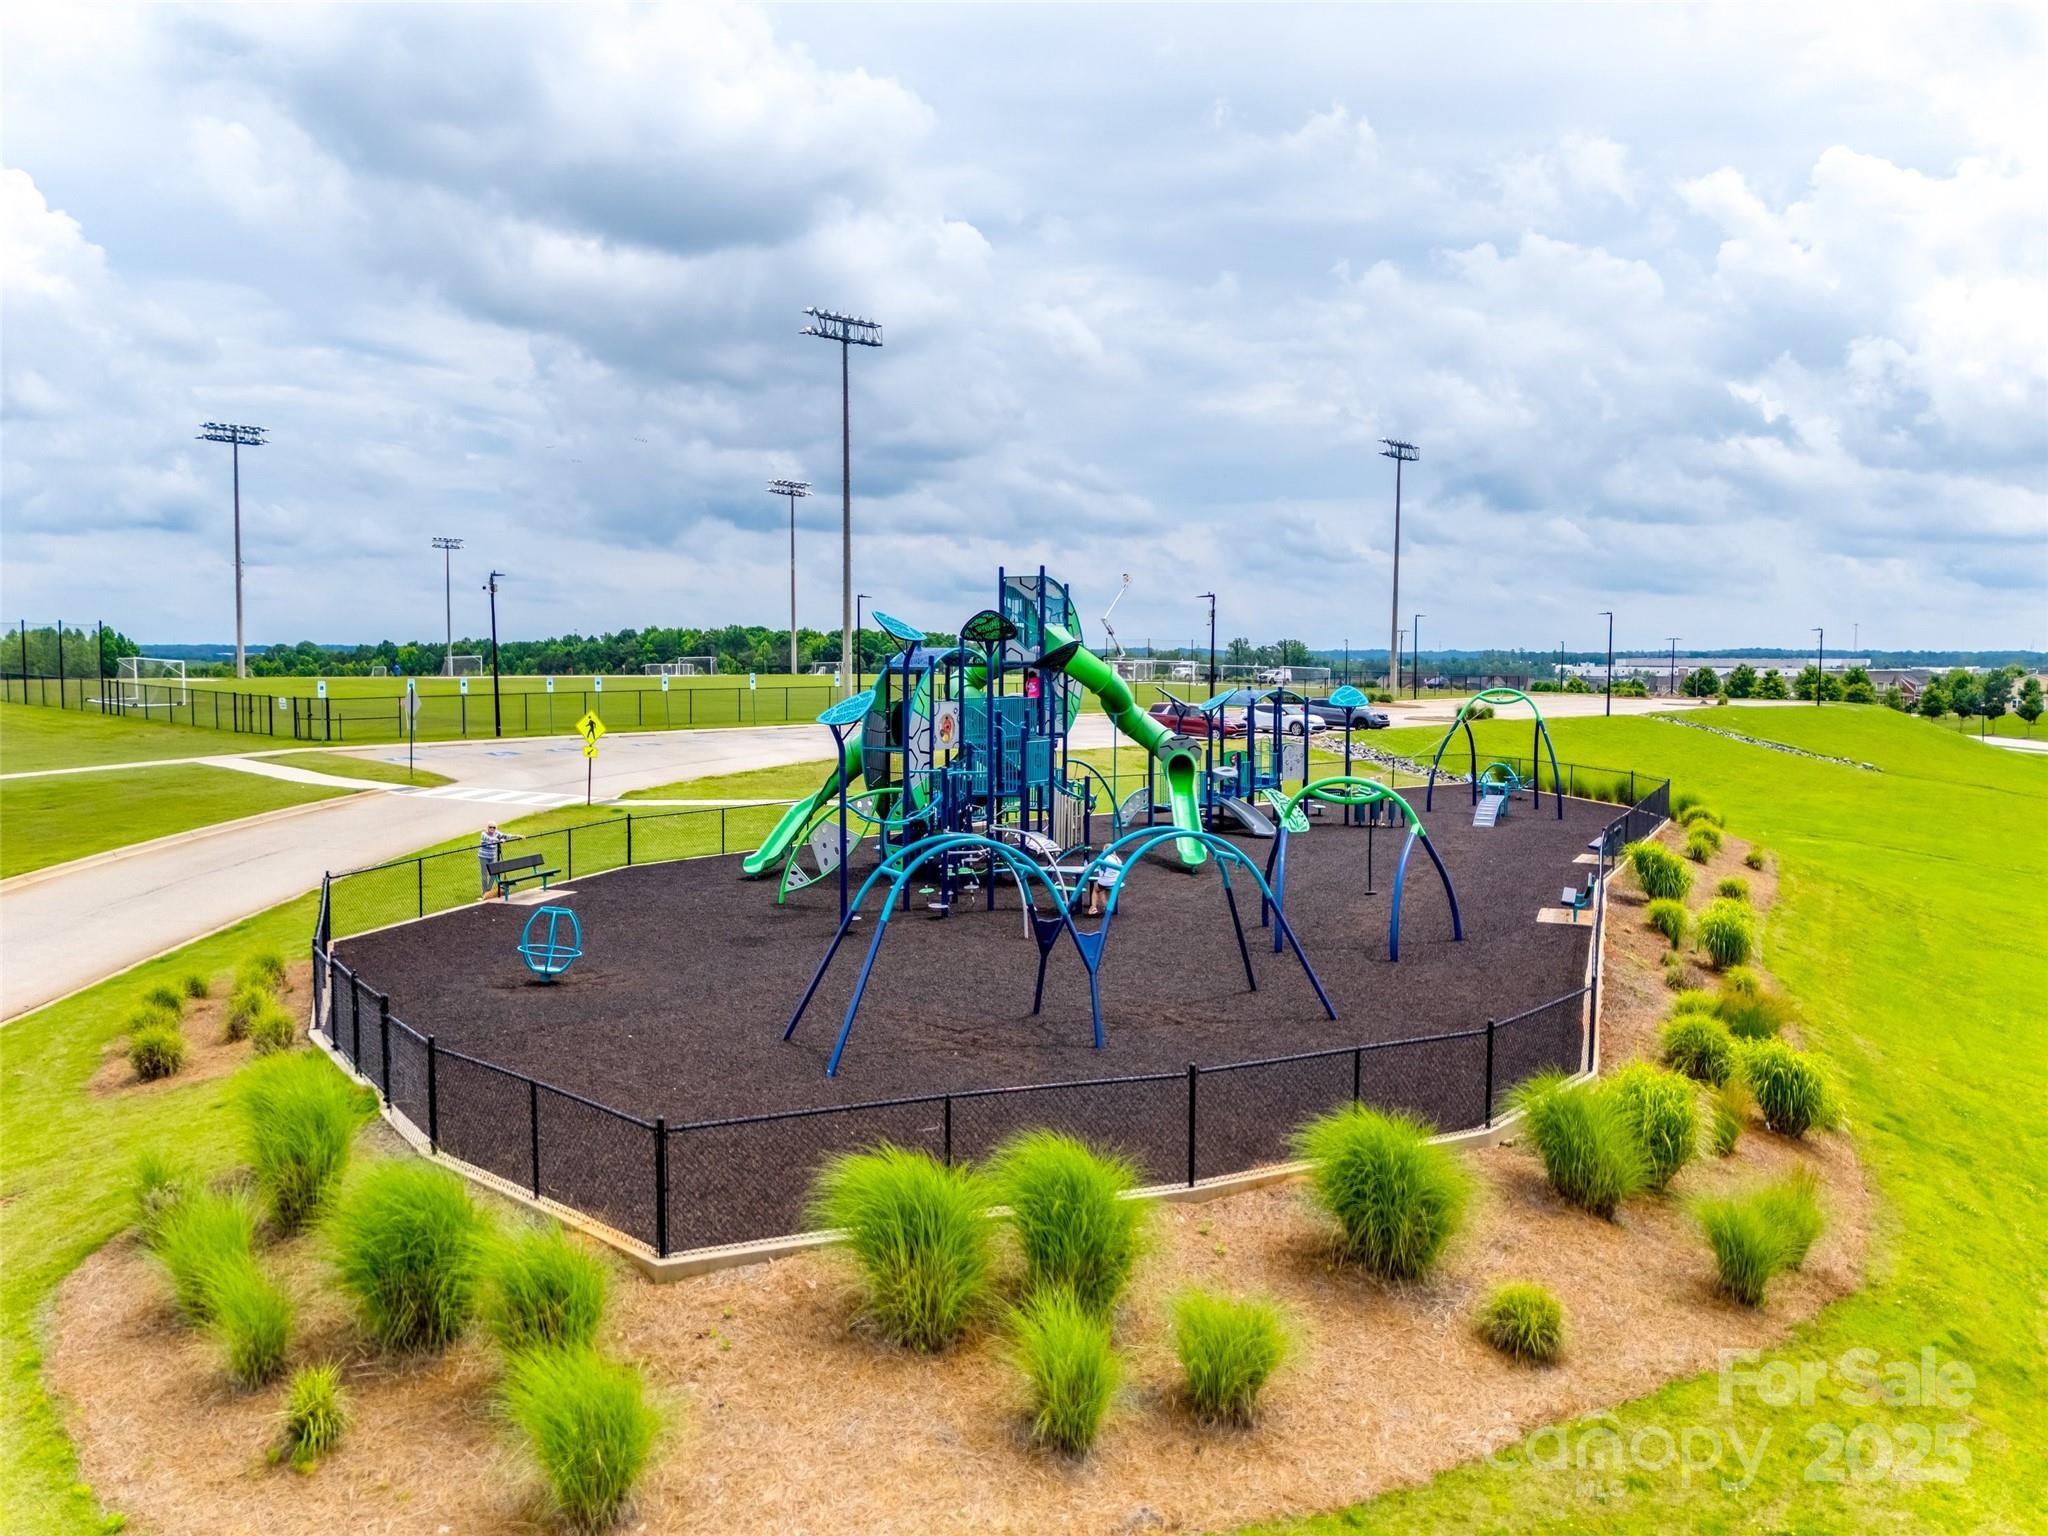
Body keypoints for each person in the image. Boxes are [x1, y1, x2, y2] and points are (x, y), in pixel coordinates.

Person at [1079, 851, 1122, 917]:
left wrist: (1083, 870)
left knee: (1096, 889)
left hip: (1106, 881)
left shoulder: (1104, 858)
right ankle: (1107, 907)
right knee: (1102, 890)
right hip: (1116, 881)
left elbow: (1091, 866)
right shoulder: (1117, 859)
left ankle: (1093, 908)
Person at [478, 823, 505, 898]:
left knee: (494, 873)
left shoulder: (497, 833)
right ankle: (484, 893)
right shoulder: (484, 834)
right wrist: (499, 840)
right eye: (490, 827)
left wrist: (517, 836)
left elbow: (505, 836)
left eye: (494, 827)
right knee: (484, 875)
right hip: (483, 857)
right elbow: (490, 839)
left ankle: (488, 890)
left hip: (492, 857)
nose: (492, 829)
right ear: (487, 827)